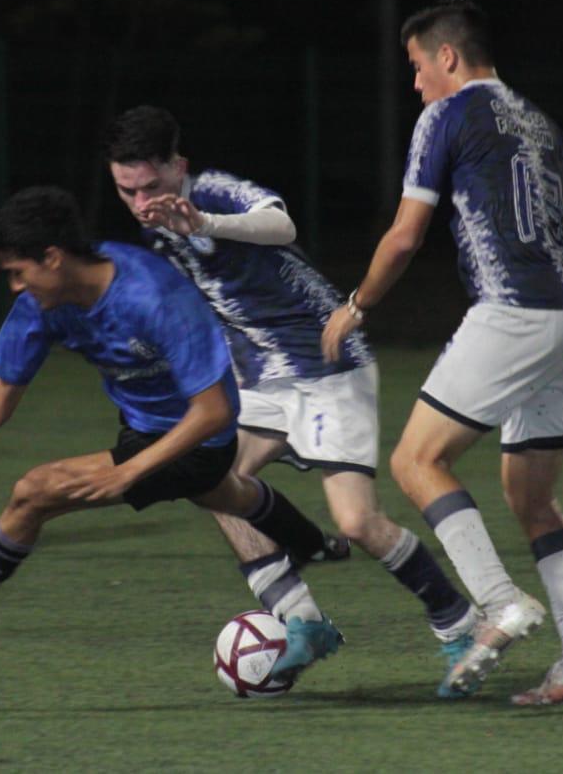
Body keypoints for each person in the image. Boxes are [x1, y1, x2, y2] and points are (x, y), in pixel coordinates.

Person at [0, 186, 343, 684]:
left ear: (52, 257)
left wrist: (131, 471)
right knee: (227, 494)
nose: (13, 287)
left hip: (197, 439)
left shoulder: (153, 296)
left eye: (16, 272)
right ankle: (310, 543)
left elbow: (216, 411)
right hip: (143, 429)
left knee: (33, 493)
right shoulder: (42, 304)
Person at [103, 106, 484, 698]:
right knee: (210, 480)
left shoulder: (208, 194)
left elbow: (279, 225)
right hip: (257, 378)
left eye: (151, 186)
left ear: (177, 166)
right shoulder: (154, 227)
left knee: (356, 521)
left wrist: (203, 221)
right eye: (126, 189)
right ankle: (300, 619)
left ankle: (457, 621)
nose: (140, 201)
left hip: (325, 362)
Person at [322, 0, 563, 705]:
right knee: (534, 500)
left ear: (448, 58)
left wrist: (357, 304)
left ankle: (498, 602)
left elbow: (404, 237)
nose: (415, 84)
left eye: (416, 66)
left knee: (414, 459)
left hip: (513, 310)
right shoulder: (543, 124)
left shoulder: (449, 114)